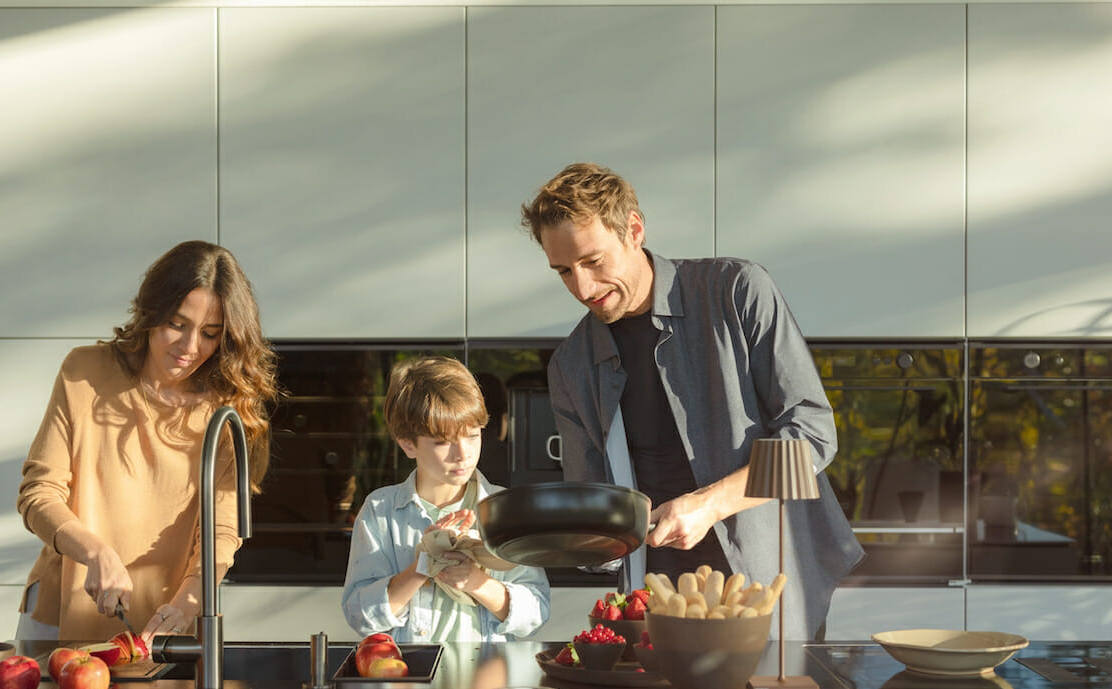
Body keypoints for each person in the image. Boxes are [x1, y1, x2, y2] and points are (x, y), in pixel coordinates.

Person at [521, 163, 863, 640]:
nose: (582, 288)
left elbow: (812, 439)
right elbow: (593, 511)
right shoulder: (571, 366)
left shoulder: (736, 291)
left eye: (594, 261)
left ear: (634, 230)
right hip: (656, 602)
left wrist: (708, 505)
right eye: (563, 271)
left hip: (772, 588)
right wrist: (533, 543)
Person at [16, 240, 280, 642]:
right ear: (150, 312)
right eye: (177, 324)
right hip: (58, 615)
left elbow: (222, 531)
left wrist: (190, 601)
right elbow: (38, 494)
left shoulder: (225, 409)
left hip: (164, 621)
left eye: (209, 334)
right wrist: (95, 552)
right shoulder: (84, 372)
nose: (190, 348)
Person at [341, 356, 550, 642]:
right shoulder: (381, 510)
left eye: (473, 436)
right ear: (407, 443)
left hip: (487, 680)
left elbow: (537, 612)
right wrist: (423, 565)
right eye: (442, 442)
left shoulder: (507, 508)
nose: (462, 453)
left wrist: (477, 582)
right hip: (411, 680)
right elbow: (360, 616)